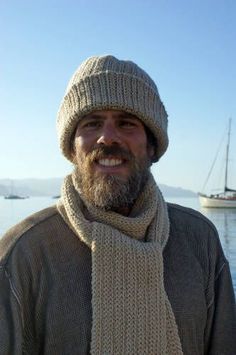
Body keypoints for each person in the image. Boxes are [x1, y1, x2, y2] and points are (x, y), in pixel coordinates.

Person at [0, 55, 235, 355]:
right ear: (71, 147)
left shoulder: (199, 240)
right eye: (92, 123)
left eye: (126, 123)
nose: (107, 137)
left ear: (153, 145)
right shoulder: (24, 254)